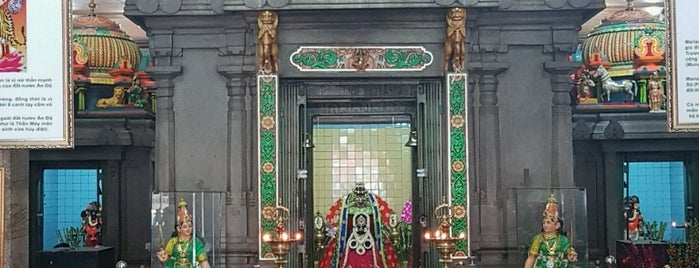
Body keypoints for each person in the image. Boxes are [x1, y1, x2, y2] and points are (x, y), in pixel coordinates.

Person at [318, 182, 399, 268]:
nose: (360, 200)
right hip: (349, 246)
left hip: (371, 246)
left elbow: (388, 222)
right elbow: (332, 224)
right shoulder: (343, 203)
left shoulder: (377, 202)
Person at [524, 195, 578, 268]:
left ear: (557, 225)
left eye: (548, 223)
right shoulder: (538, 239)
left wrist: (571, 255)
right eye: (544, 223)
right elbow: (531, 258)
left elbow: (568, 254)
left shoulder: (563, 240)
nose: (545, 225)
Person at [156, 199, 210, 268]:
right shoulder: (173, 242)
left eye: (190, 226)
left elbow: (203, 262)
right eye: (185, 227)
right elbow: (166, 259)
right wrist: (162, 258)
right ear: (179, 228)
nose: (188, 229)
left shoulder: (196, 242)